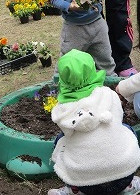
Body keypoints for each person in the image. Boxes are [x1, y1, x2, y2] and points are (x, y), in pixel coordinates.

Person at [48, 49, 140, 195]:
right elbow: (117, 119)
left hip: (85, 183)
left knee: (61, 140)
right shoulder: (109, 95)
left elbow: (67, 133)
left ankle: (74, 190)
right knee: (126, 128)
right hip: (122, 175)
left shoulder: (62, 110)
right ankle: (128, 187)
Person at [42, 0, 138, 77]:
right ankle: (60, 84)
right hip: (73, 28)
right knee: (68, 60)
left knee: (105, 58)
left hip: (97, 23)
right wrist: (69, 6)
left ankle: (112, 80)